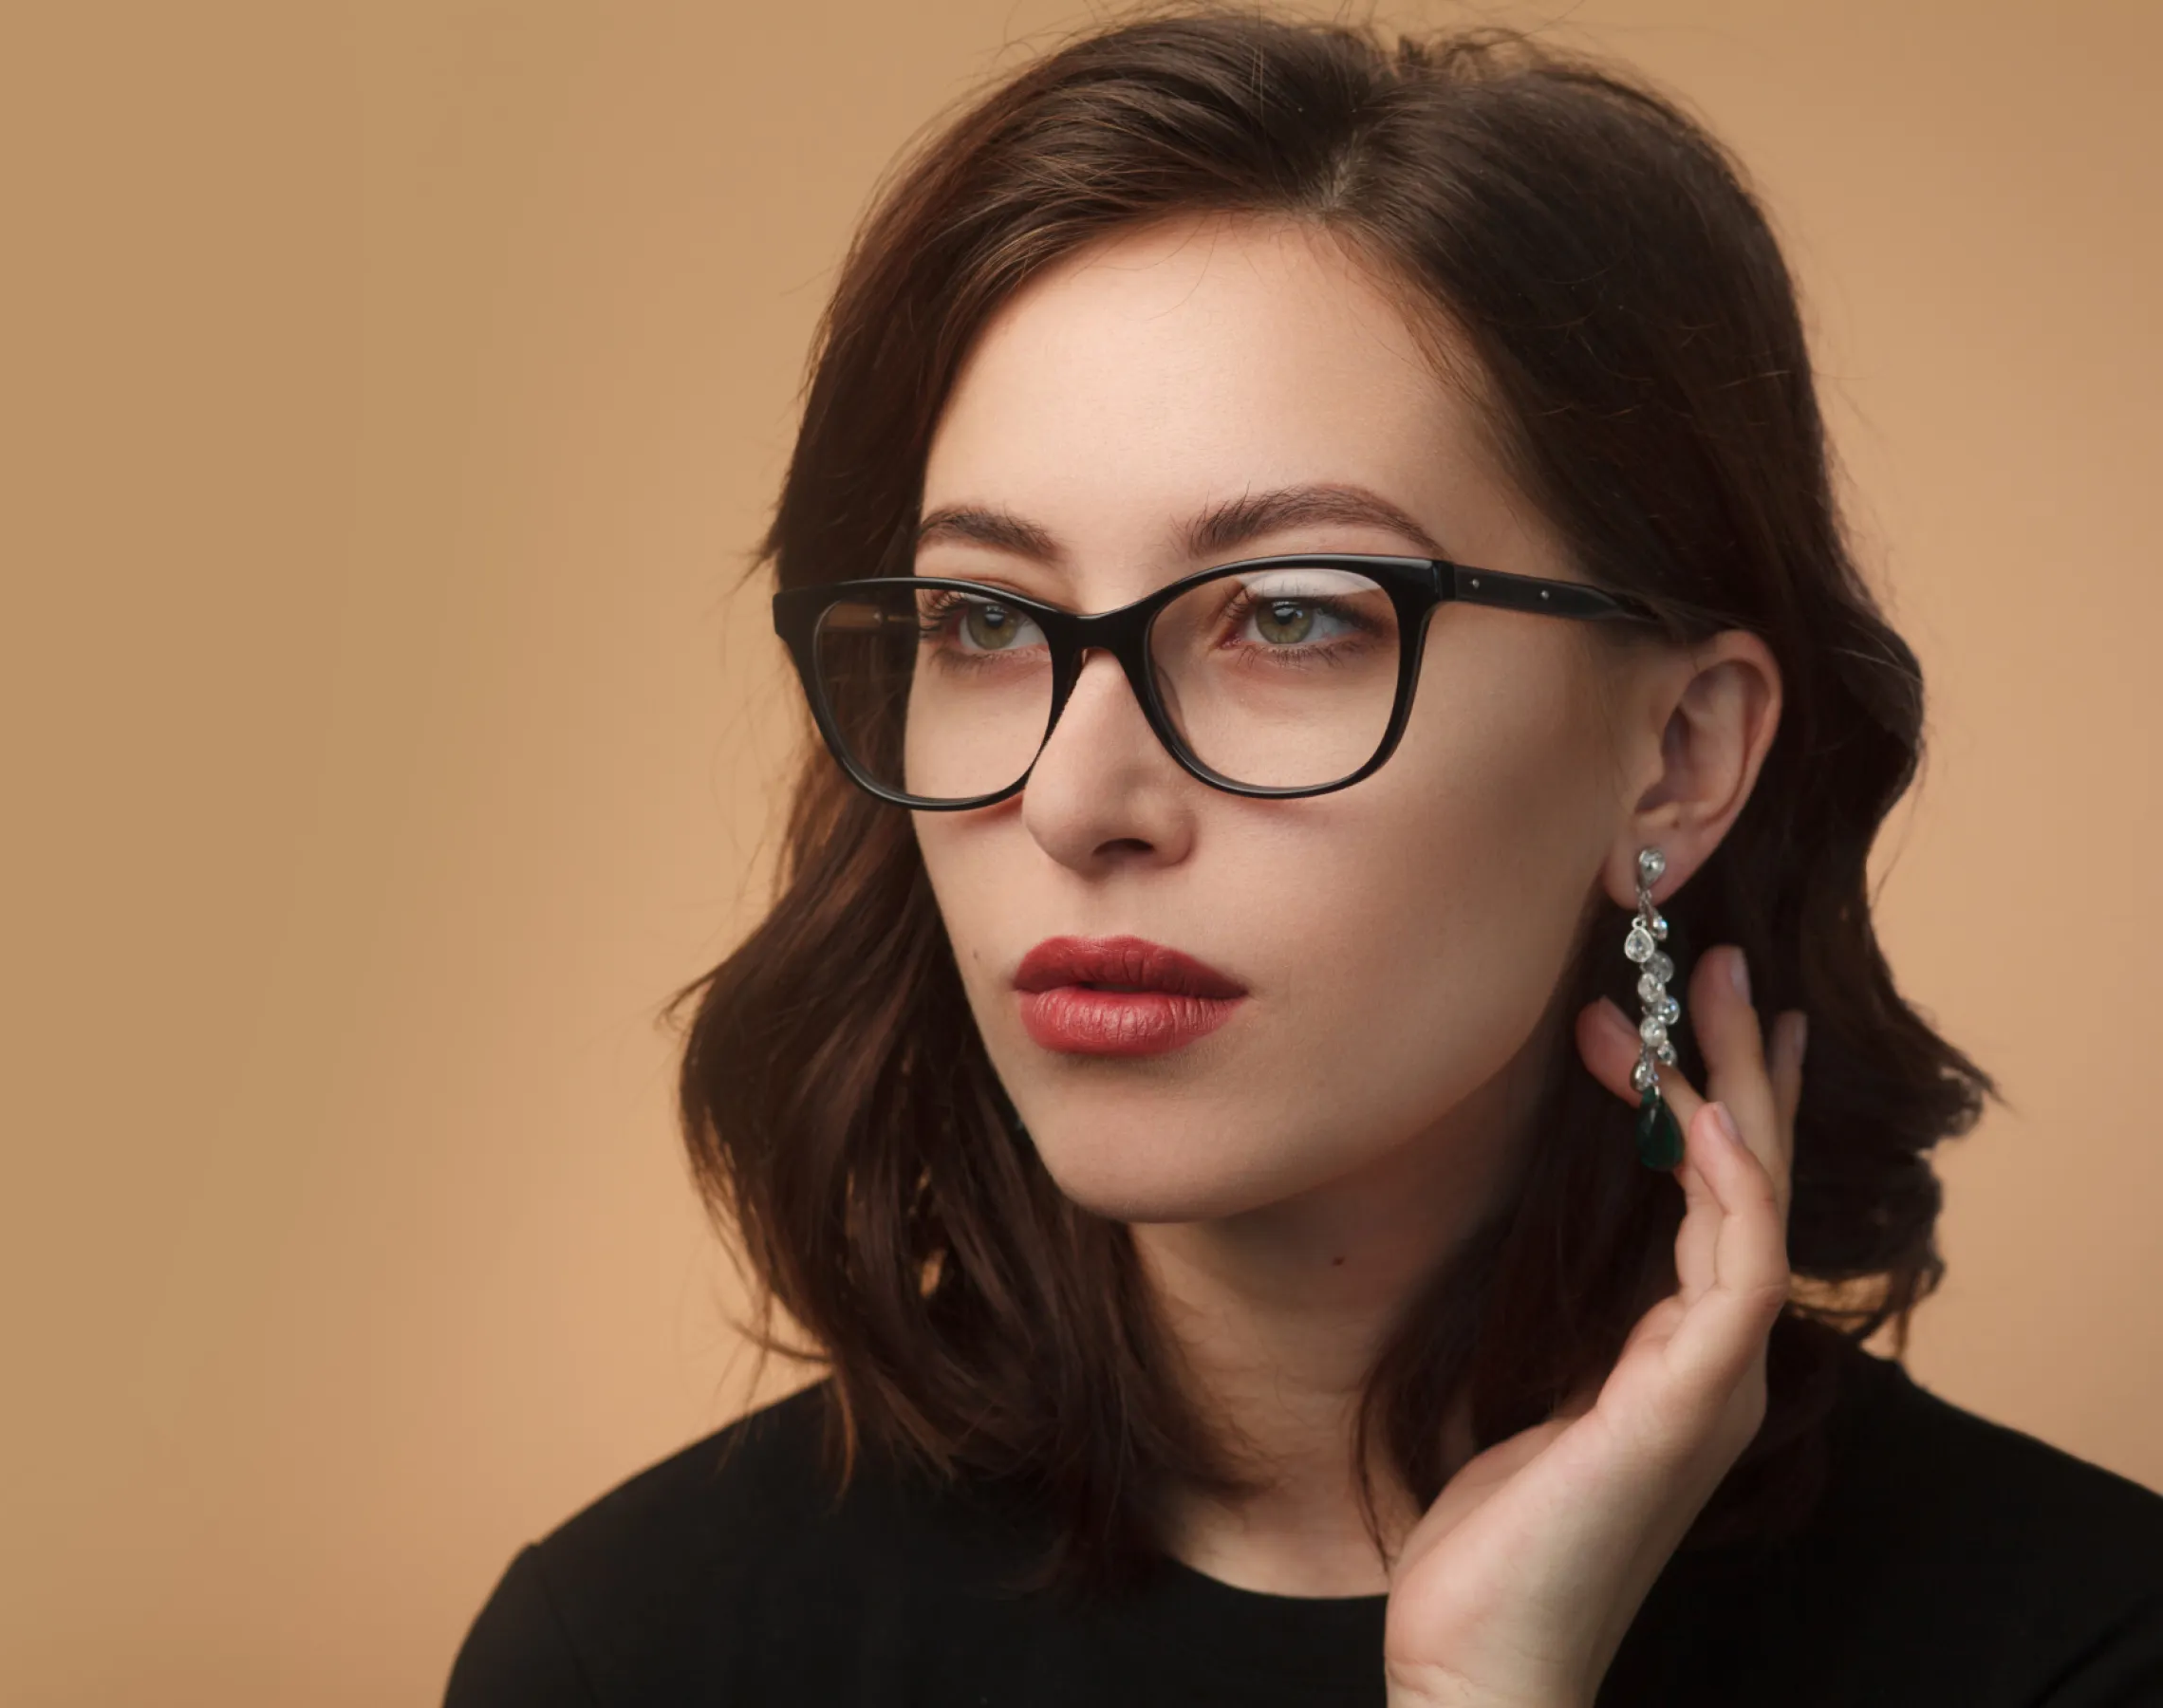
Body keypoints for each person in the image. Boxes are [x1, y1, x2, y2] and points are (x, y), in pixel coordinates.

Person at [444, 10, 2163, 1704]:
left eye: (1289, 616)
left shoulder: (2081, 1646)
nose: (1076, 800)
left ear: (1679, 753)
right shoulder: (634, 1654)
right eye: (982, 618)